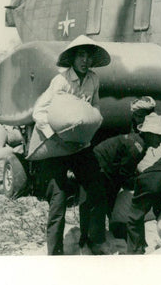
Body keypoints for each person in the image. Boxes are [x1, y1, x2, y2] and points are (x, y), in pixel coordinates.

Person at [30, 35, 110, 255]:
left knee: (94, 188)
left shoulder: (93, 79)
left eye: (89, 56)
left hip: (80, 146)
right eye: (81, 55)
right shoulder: (61, 81)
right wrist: (52, 135)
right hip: (57, 147)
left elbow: (96, 108)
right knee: (59, 198)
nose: (85, 60)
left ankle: (90, 240)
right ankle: (55, 253)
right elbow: (38, 111)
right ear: (73, 58)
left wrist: (89, 127)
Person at [78, 112, 161, 249]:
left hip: (100, 168)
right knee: (98, 205)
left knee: (96, 204)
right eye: (159, 136)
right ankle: (95, 243)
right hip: (98, 169)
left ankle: (89, 238)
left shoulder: (137, 141)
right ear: (150, 134)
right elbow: (124, 175)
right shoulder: (137, 147)